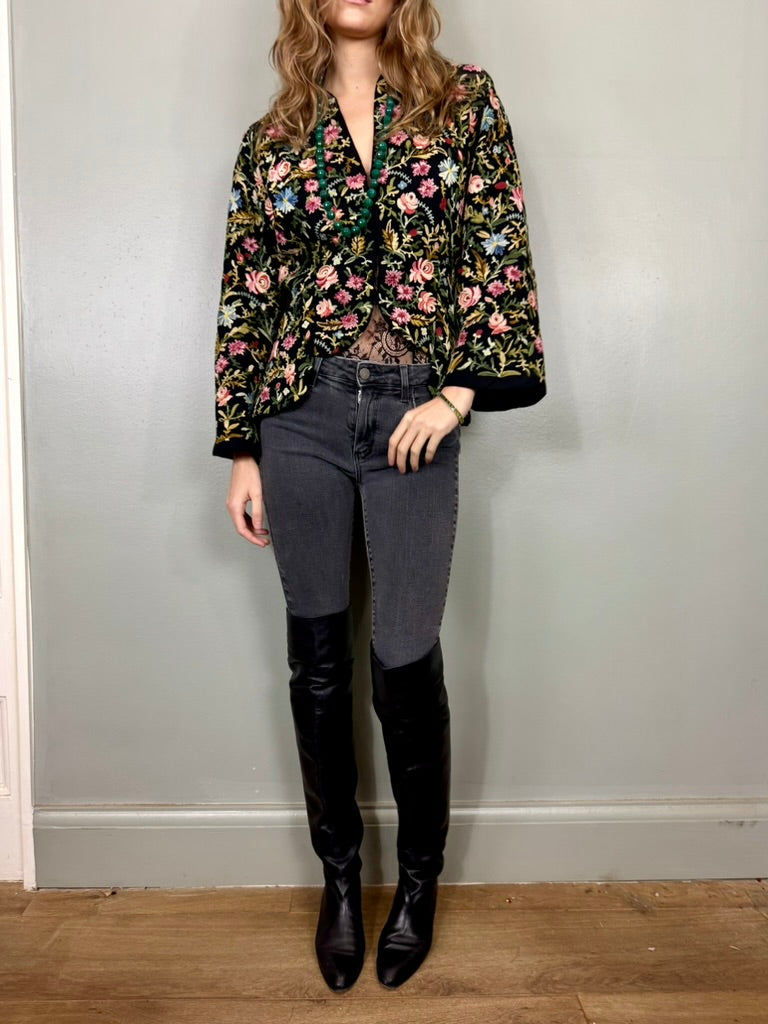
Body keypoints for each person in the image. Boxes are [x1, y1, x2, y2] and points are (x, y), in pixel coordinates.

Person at [212, 0, 546, 994]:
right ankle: (341, 881)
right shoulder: (272, 139)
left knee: (404, 658)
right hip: (300, 416)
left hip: (414, 414)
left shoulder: (463, 103)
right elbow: (248, 293)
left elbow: (497, 249)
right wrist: (242, 447)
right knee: (317, 662)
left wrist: (457, 395)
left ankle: (421, 883)